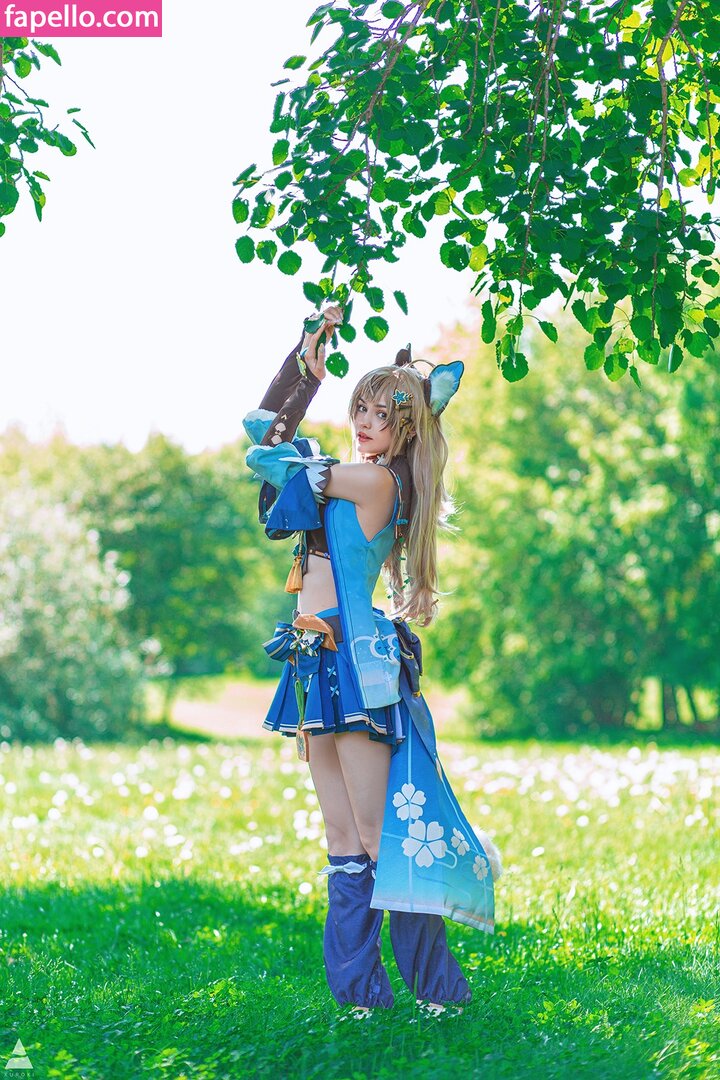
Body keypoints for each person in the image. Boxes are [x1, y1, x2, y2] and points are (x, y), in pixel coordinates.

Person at [243, 303, 501, 1017]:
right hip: (311, 659)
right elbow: (268, 440)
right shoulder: (347, 474)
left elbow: (266, 452)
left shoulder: (378, 483)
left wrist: (290, 420)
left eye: (380, 415)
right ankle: (361, 1000)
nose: (363, 422)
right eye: (359, 407)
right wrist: (304, 369)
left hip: (357, 664)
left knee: (379, 838)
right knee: (343, 840)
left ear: (407, 429)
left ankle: (438, 995)